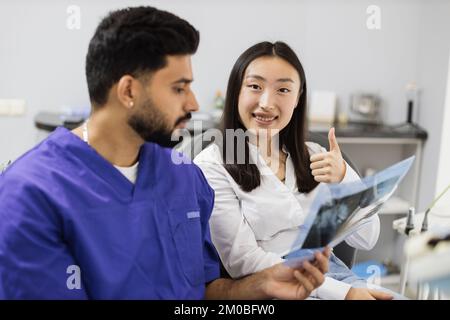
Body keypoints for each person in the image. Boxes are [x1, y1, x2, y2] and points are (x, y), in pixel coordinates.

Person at [0, 7, 330, 300]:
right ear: (128, 91)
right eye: (179, 88)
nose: (194, 104)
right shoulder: (29, 197)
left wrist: (260, 287)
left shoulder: (184, 179)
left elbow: (204, 290)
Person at [194, 41, 395, 300]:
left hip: (339, 276)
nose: (266, 102)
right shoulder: (212, 165)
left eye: (283, 89)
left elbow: (367, 239)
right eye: (255, 86)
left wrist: (346, 179)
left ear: (298, 98)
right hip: (273, 285)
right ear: (236, 92)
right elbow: (242, 261)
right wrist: (344, 294)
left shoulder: (314, 154)